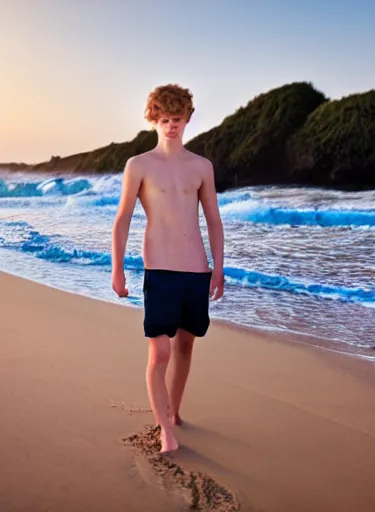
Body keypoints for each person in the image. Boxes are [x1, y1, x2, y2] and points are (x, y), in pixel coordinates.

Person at [111, 84, 225, 453]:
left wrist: (218, 269)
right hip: (158, 269)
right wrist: (118, 270)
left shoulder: (201, 167)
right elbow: (123, 219)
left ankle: (174, 412)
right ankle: (165, 431)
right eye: (164, 120)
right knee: (159, 352)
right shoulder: (139, 165)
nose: (171, 126)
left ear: (187, 119)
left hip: (196, 270)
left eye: (177, 120)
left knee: (186, 348)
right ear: (153, 121)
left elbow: (213, 221)